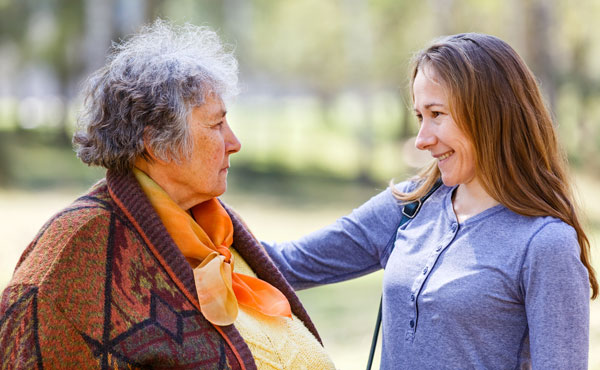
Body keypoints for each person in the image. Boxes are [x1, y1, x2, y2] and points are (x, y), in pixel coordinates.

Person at [0, 20, 335, 370]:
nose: (234, 143)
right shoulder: (77, 245)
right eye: (216, 125)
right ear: (157, 143)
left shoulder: (214, 227)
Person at [263, 33, 597, 369]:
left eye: (437, 114)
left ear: (491, 115)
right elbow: (286, 264)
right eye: (420, 117)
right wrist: (208, 204)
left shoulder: (545, 244)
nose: (423, 139)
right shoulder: (410, 205)